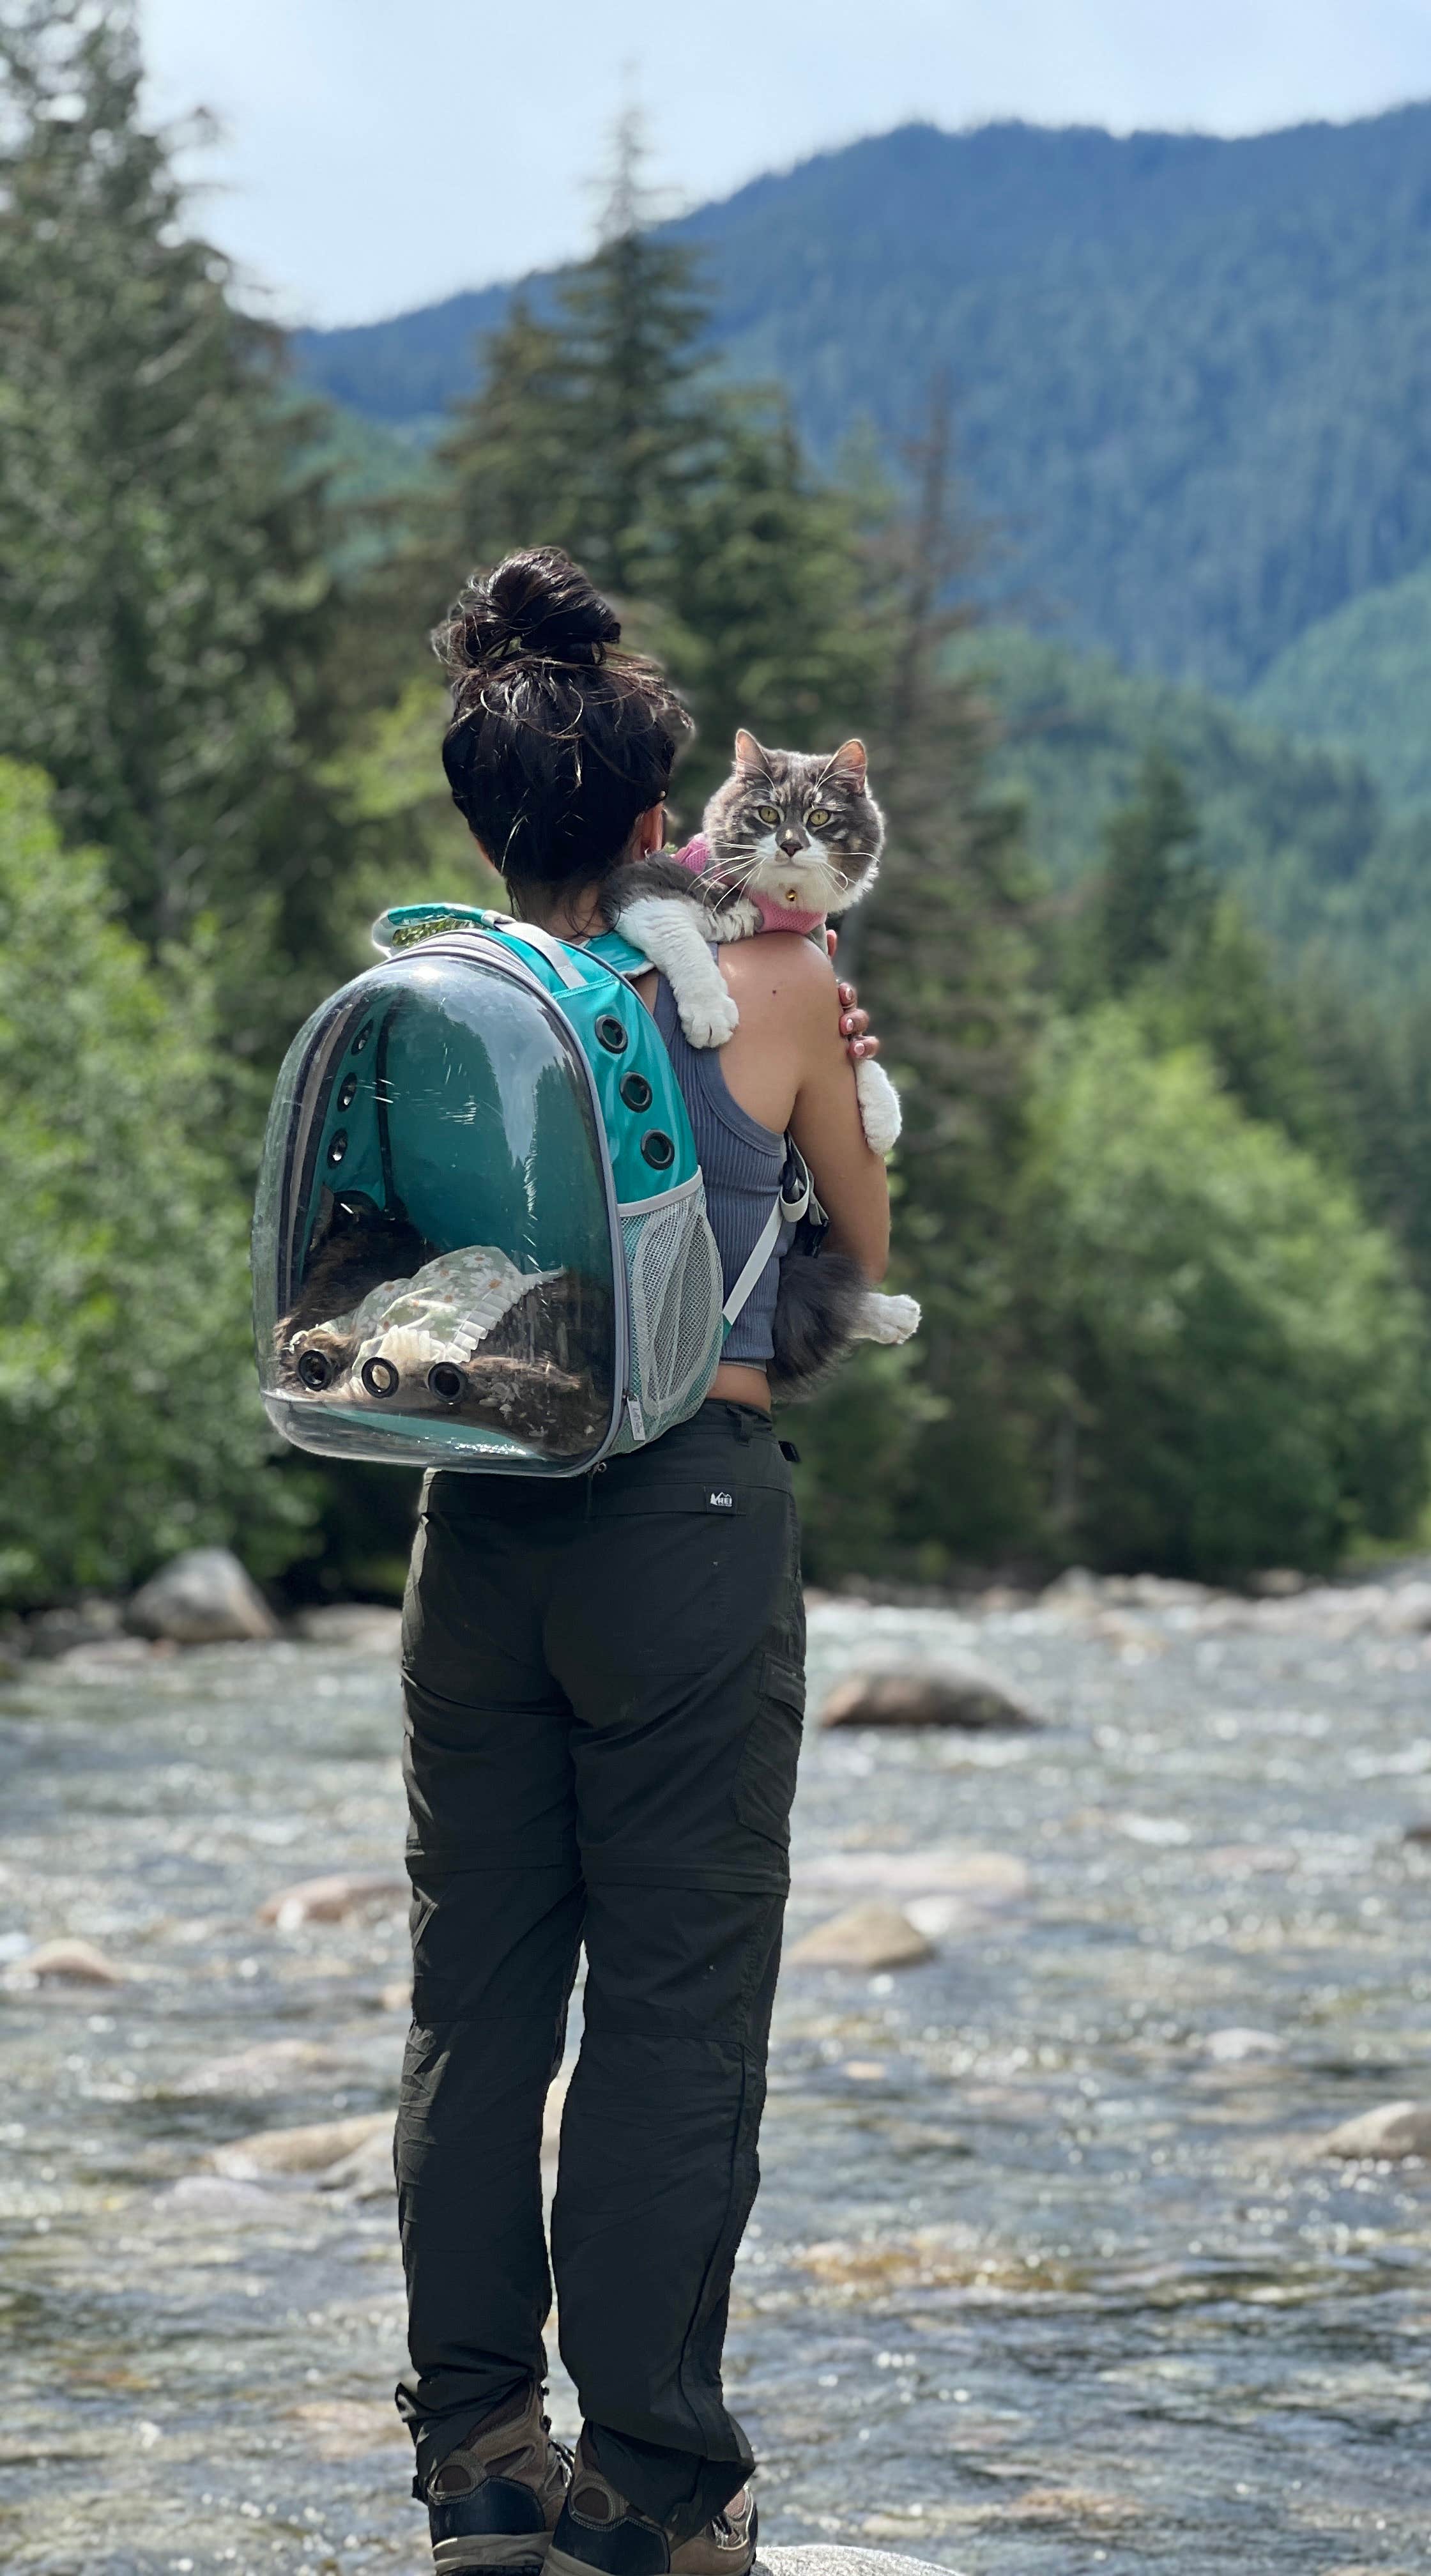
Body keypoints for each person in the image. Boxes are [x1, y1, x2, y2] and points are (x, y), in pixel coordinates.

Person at [393, 548, 891, 2576]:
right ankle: (653, 2486)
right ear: (653, 812)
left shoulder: (435, 989)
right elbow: (856, 1240)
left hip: (475, 1519)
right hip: (688, 1514)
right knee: (677, 2007)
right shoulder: (773, 985)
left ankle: (478, 2462)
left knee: (476, 1993)